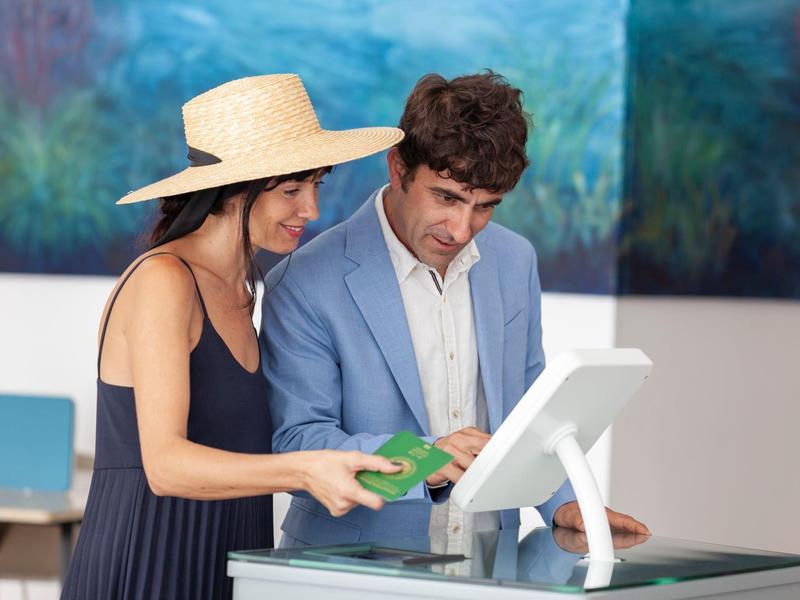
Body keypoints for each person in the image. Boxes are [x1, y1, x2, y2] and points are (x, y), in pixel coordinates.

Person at [261, 71, 649, 547]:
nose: (462, 229)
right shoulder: (303, 281)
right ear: (398, 169)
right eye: (447, 197)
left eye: (485, 206)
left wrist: (565, 503)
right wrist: (423, 462)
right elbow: (297, 440)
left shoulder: (514, 260)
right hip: (350, 566)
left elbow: (529, 407)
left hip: (492, 560)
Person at [61, 74, 405, 600]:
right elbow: (166, 466)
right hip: (149, 563)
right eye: (292, 190)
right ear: (231, 190)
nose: (311, 210)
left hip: (228, 556)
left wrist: (405, 456)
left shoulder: (245, 289)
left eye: (316, 186)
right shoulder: (164, 282)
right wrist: (305, 471)